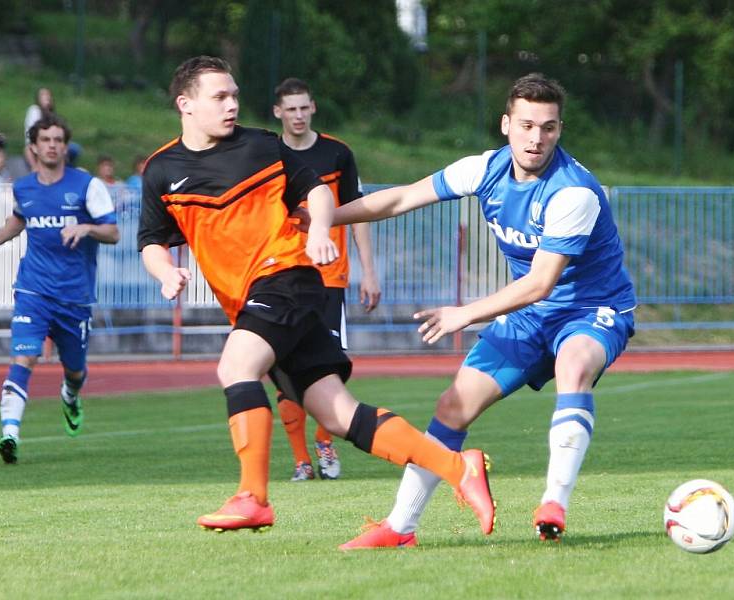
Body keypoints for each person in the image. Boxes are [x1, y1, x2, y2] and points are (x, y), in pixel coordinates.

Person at [137, 55, 494, 536]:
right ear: (185, 104)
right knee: (339, 415)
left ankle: (253, 497)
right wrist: (164, 273)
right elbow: (151, 241)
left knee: (236, 367)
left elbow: (318, 192)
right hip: (253, 297)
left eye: (235, 95)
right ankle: (458, 467)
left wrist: (321, 229)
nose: (232, 105)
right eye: (220, 96)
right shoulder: (162, 170)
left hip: (287, 278)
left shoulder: (262, 146)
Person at [331, 73, 637, 549]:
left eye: (549, 127)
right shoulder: (483, 170)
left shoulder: (573, 192)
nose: (537, 138)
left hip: (591, 308)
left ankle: (553, 502)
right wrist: (322, 217)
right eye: (527, 125)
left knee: (573, 365)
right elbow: (401, 197)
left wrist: (465, 313)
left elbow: (540, 283)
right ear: (505, 124)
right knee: (453, 405)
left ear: (560, 129)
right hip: (529, 315)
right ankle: (400, 528)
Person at [0, 114, 120, 464]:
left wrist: (85, 228)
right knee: (24, 355)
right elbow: (20, 218)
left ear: (65, 146)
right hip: (33, 290)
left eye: (58, 140)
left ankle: (70, 395)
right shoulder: (24, 187)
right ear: (34, 148)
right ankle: (10, 434)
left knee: (75, 370)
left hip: (75, 296)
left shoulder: (87, 186)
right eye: (46, 140)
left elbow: (113, 233)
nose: (52, 145)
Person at [272, 77, 381, 482]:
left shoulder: (337, 153)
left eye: (304, 107)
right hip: (281, 276)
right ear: (278, 112)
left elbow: (359, 213)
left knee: (326, 368)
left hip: (329, 278)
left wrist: (369, 272)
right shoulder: (269, 155)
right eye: (291, 108)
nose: (298, 115)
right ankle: (301, 459)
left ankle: (325, 441)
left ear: (313, 107)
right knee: (285, 373)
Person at [23, 88, 82, 170]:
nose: (47, 97)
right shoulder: (35, 111)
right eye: (43, 95)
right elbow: (29, 142)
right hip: (37, 146)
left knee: (74, 149)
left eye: (48, 95)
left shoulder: (51, 113)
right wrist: (34, 167)